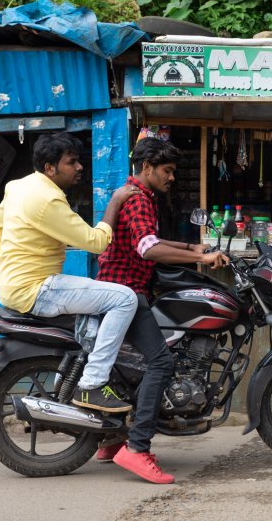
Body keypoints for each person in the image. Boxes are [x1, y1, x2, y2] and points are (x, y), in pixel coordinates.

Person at [95, 137, 227, 484]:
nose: (171, 177)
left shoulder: (140, 195)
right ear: (148, 168)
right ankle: (137, 448)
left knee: (135, 367)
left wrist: (190, 245)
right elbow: (148, 249)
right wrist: (201, 257)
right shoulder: (138, 199)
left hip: (125, 289)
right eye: (167, 171)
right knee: (161, 362)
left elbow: (151, 240)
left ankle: (112, 438)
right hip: (127, 292)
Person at [0, 132, 140, 414]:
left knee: (94, 308)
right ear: (50, 168)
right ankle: (92, 385)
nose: (79, 167)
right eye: (72, 162)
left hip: (13, 289)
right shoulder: (48, 199)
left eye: (78, 161)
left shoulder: (18, 187)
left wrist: (12, 274)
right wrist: (115, 201)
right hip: (38, 288)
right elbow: (96, 242)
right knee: (125, 298)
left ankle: (63, 389)